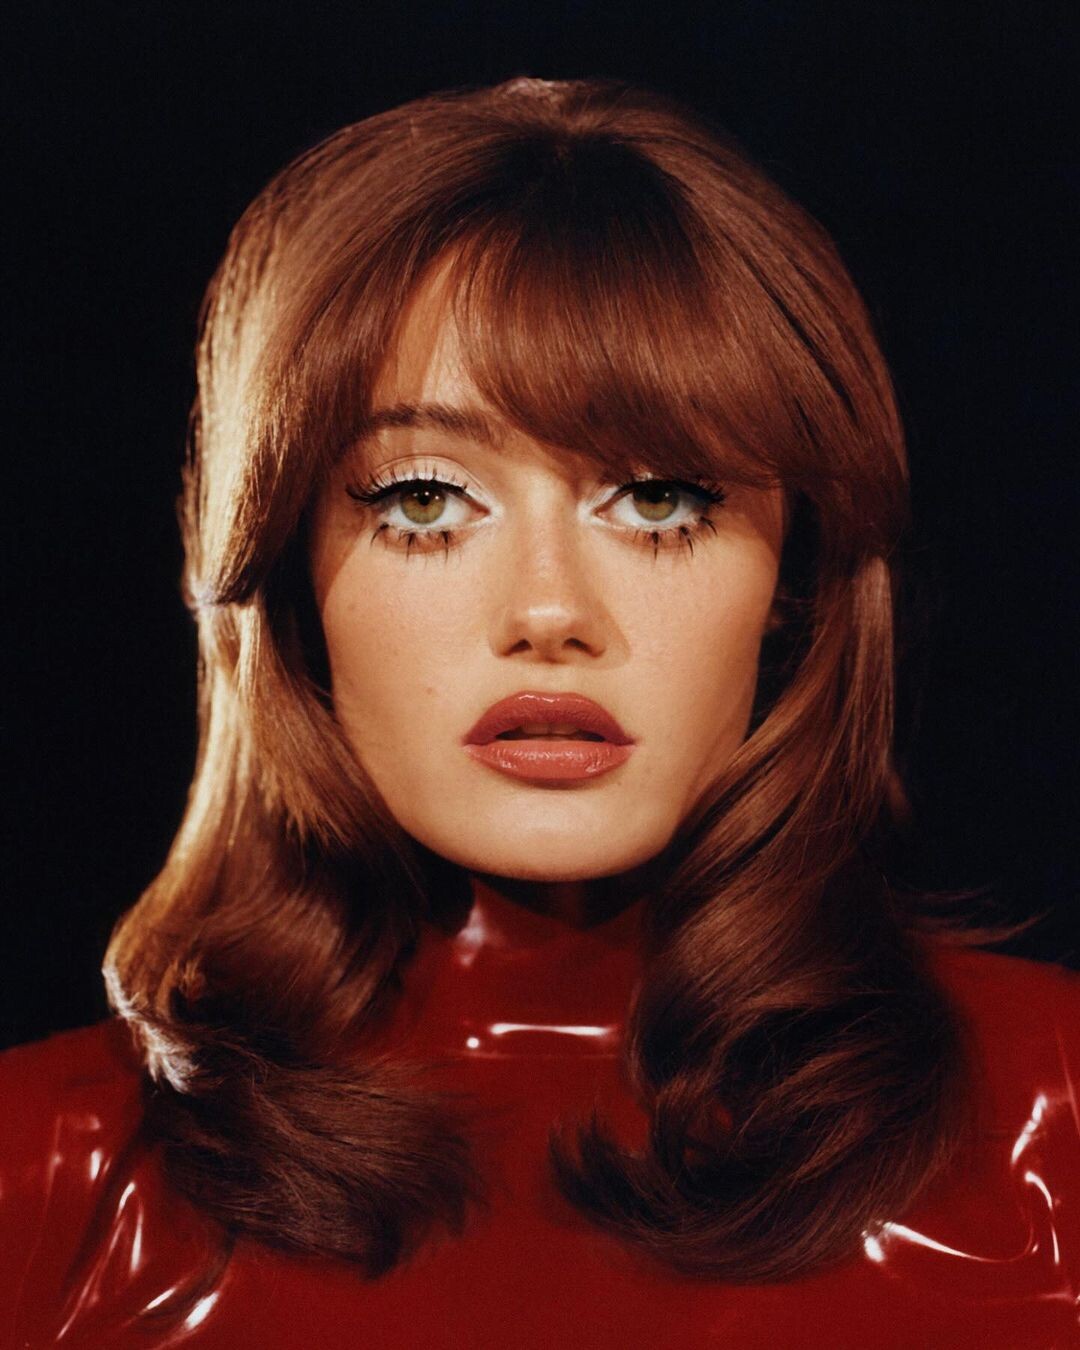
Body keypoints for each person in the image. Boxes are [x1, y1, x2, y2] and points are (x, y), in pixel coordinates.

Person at [1, 77, 1076, 1349]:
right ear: (285, 573)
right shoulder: (47, 1176)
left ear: (796, 579)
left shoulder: (1052, 1131)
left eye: (660, 498)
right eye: (423, 501)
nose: (551, 611)